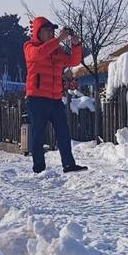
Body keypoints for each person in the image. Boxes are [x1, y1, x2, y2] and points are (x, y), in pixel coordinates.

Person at [23, 17, 87, 174]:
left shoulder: (56, 50)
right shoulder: (30, 46)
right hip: (36, 99)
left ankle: (69, 165)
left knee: (64, 133)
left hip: (55, 99)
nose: (51, 34)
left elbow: (73, 61)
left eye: (52, 31)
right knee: (38, 135)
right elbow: (38, 55)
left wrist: (76, 44)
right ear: (38, 32)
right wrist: (58, 40)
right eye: (47, 31)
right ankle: (39, 168)